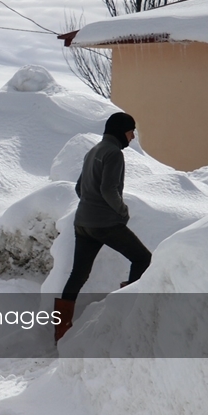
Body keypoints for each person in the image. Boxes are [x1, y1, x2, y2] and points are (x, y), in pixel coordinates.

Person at [54, 112, 152, 342]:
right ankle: (126, 314)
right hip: (105, 223)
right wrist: (122, 210)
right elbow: (109, 189)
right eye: (130, 131)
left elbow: (80, 188)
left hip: (83, 223)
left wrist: (91, 206)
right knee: (142, 258)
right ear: (120, 130)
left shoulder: (93, 151)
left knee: (78, 274)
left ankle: (61, 331)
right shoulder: (114, 154)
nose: (132, 136)